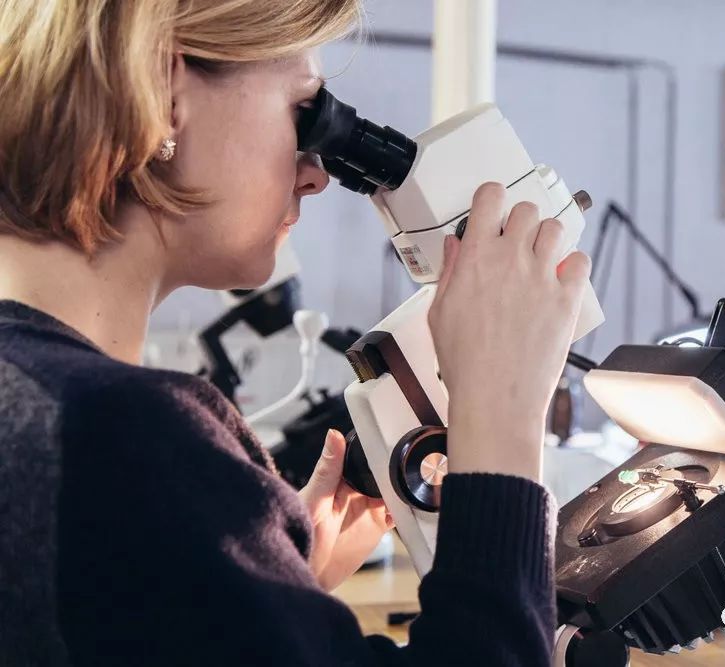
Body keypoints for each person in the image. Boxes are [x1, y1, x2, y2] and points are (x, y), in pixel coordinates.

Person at [0, 2, 592, 666]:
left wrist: (261, 582)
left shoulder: (32, 399)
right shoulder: (118, 432)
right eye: (303, 113)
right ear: (163, 92)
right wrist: (502, 414)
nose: (315, 174)